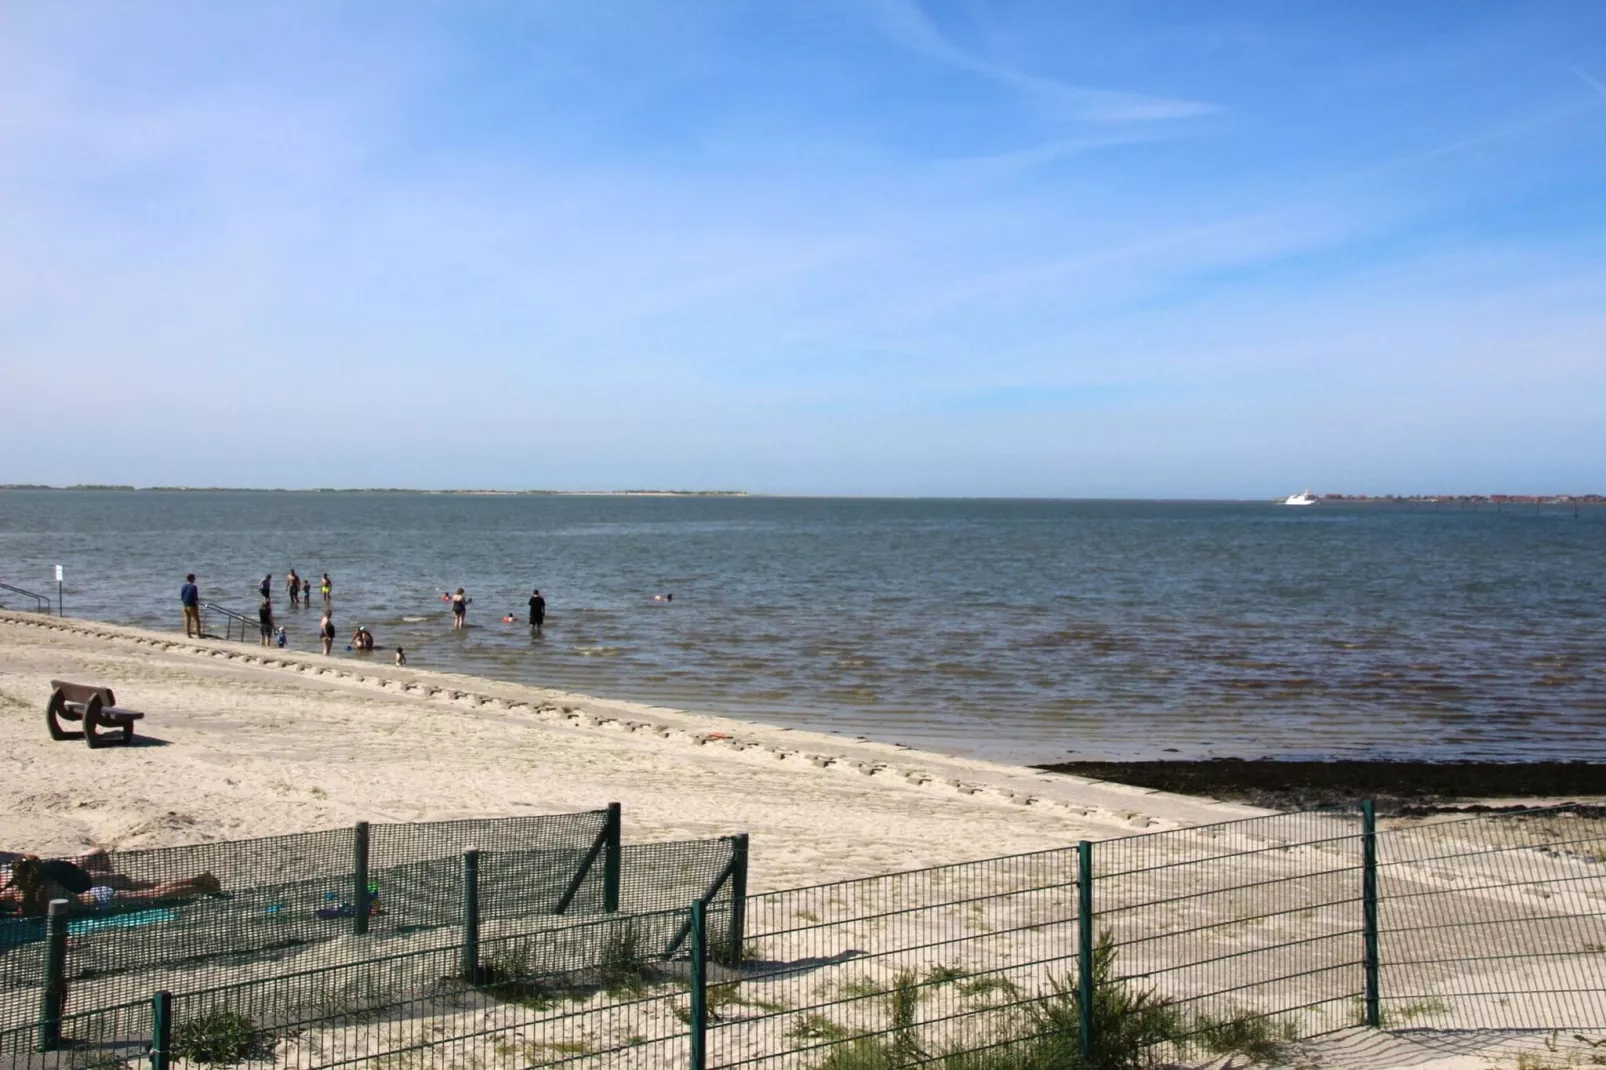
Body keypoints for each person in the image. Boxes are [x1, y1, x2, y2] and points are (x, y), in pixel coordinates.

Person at [0, 851, 221, 917]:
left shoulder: (35, 894)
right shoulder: (44, 884)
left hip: (99, 900)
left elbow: (35, 914)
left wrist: (14, 914)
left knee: (154, 895)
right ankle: (196, 881)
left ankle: (198, 885)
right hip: (95, 894)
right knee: (152, 890)